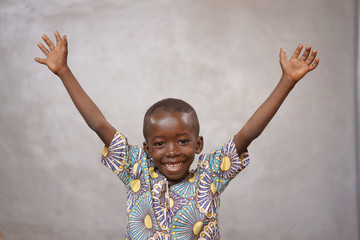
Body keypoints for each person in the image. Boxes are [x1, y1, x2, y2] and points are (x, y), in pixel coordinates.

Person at [35, 31, 319, 240]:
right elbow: (99, 124)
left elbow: (248, 133)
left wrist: (287, 82)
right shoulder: (136, 169)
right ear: (146, 149)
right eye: (159, 144)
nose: (171, 151)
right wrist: (63, 72)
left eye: (183, 141)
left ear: (199, 144)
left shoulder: (211, 174)